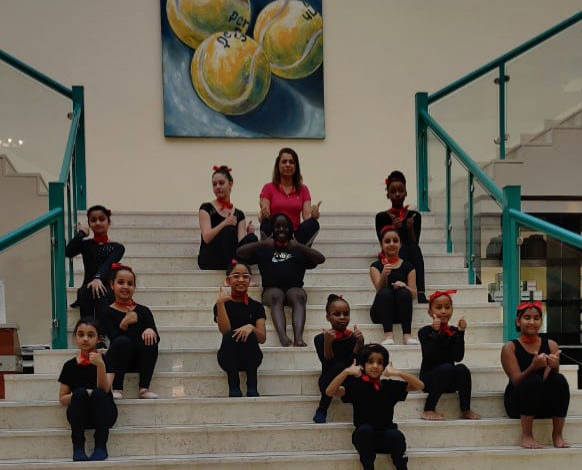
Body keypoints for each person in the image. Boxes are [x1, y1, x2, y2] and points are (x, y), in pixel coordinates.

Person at [326, 343, 424, 470]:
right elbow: (330, 392)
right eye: (370, 362)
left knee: (396, 436)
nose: (375, 366)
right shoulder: (356, 385)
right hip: (364, 438)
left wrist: (398, 373)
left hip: (386, 436)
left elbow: (420, 386)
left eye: (380, 362)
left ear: (384, 366)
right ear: (363, 365)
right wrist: (346, 372)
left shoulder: (389, 386)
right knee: (364, 430)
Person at [237, 213, 325, 347]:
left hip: (294, 289)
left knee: (298, 295)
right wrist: (262, 243)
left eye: (285, 227)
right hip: (270, 290)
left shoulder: (297, 248)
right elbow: (240, 252)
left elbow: (320, 259)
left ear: (291, 229)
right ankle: (283, 337)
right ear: (272, 229)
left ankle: (298, 338)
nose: (281, 229)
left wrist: (299, 246)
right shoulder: (265, 248)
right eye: (277, 226)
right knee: (276, 295)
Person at [501, 301, 570, 449]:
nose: (532, 322)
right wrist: (533, 367)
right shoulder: (510, 348)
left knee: (559, 379)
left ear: (541, 321)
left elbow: (549, 380)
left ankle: (557, 435)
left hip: (542, 403)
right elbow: (516, 381)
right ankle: (527, 435)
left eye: (536, 318)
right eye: (527, 318)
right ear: (518, 321)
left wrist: (553, 367)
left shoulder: (551, 345)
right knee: (532, 380)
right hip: (518, 403)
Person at [58, 319, 117, 461]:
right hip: (80, 415)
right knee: (79, 393)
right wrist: (83, 394)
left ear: (98, 338)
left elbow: (105, 389)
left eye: (90, 335)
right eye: (81, 334)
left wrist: (100, 366)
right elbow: (62, 398)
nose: (85, 339)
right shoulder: (69, 365)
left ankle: (100, 446)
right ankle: (78, 447)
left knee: (98, 393)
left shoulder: (107, 360)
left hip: (104, 413)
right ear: (75, 337)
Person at [418, 290, 480, 420]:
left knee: (462, 368)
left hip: (449, 379)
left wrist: (461, 333)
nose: (443, 311)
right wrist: (435, 333)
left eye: (447, 307)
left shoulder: (454, 331)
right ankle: (428, 409)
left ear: (452, 309)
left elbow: (458, 357)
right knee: (446, 368)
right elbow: (430, 356)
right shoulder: (424, 331)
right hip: (430, 379)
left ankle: (466, 409)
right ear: (430, 312)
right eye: (438, 307)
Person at [102, 264, 159, 400]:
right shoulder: (106, 311)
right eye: (121, 282)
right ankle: (117, 388)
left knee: (150, 340)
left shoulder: (143, 310)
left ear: (134, 287)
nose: (125, 287)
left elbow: (157, 338)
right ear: (112, 285)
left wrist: (150, 330)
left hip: (138, 360)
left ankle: (144, 388)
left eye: (130, 283)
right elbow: (114, 338)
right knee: (122, 341)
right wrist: (125, 323)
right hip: (117, 360)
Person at [214, 260, 266, 397]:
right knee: (230, 336)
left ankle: (252, 386)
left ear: (250, 280)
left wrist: (251, 327)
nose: (241, 280)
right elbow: (225, 331)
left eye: (245, 276)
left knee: (250, 335)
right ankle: (234, 385)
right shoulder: (221, 304)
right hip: (228, 357)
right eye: (236, 276)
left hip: (251, 357)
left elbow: (262, 338)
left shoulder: (256, 306)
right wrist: (220, 304)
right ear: (228, 280)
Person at [65, 205, 125, 324]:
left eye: (102, 219)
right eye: (93, 220)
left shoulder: (117, 247)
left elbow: (108, 264)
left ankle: (100, 335)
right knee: (86, 290)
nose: (97, 222)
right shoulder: (86, 244)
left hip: (106, 286)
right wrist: (81, 233)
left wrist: (98, 278)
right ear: (89, 224)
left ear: (108, 222)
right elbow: (68, 252)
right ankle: (87, 331)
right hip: (87, 287)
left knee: (101, 291)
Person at [375, 171, 427, 303]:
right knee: (407, 249)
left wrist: (409, 228)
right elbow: (384, 243)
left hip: (409, 253)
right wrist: (393, 228)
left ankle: (420, 291)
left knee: (414, 248)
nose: (397, 194)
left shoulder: (414, 216)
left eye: (400, 191)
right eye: (393, 191)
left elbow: (415, 242)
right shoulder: (382, 217)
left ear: (406, 193)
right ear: (388, 194)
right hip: (392, 254)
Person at [313, 294, 364, 423]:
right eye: (337, 314)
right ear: (328, 317)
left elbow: (354, 363)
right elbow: (327, 363)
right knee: (337, 367)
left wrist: (359, 344)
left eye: (346, 314)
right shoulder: (320, 338)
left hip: (349, 378)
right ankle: (322, 408)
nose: (342, 317)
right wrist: (328, 343)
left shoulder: (353, 337)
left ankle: (361, 412)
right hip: (329, 378)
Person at [198, 165, 257, 270]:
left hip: (232, 255)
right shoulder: (206, 208)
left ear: (230, 184)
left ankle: (239, 269)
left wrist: (249, 234)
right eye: (214, 184)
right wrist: (224, 223)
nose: (217, 187)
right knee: (228, 230)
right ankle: (235, 270)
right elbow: (206, 238)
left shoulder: (239, 214)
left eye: (221, 183)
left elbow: (241, 246)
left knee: (252, 238)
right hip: (210, 257)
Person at [259, 148, 321, 246]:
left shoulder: (303, 189)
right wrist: (263, 214)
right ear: (278, 165)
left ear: (296, 166)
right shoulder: (268, 188)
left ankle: (294, 249)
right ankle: (271, 250)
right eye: (284, 162)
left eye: (291, 162)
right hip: (275, 233)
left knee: (313, 223)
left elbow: (306, 216)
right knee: (266, 223)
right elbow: (264, 214)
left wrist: (314, 215)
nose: (288, 165)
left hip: (294, 236)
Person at [369, 224, 417, 345]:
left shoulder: (408, 266)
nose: (391, 244)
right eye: (387, 241)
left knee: (404, 292)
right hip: (381, 312)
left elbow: (414, 295)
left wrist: (404, 286)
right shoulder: (376, 266)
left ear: (400, 244)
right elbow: (379, 289)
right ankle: (388, 335)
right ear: (381, 245)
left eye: (395, 241)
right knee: (385, 292)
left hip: (401, 312)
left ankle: (407, 335)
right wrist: (384, 274)